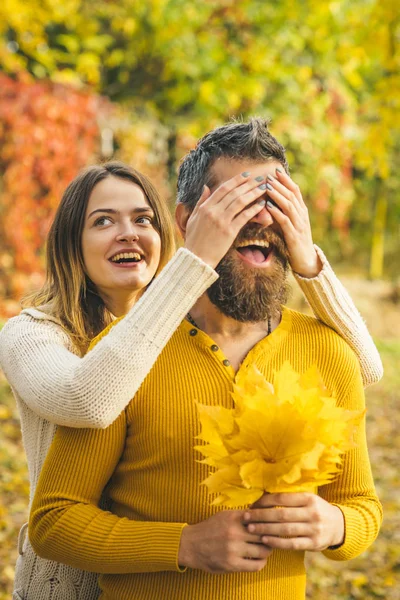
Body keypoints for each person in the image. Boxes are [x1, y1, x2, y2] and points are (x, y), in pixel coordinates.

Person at [28, 119, 382, 600]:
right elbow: (55, 521)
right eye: (236, 203)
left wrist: (335, 525)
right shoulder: (123, 357)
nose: (259, 219)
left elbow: (362, 507)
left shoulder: (329, 351)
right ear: (186, 220)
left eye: (275, 203)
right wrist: (184, 545)